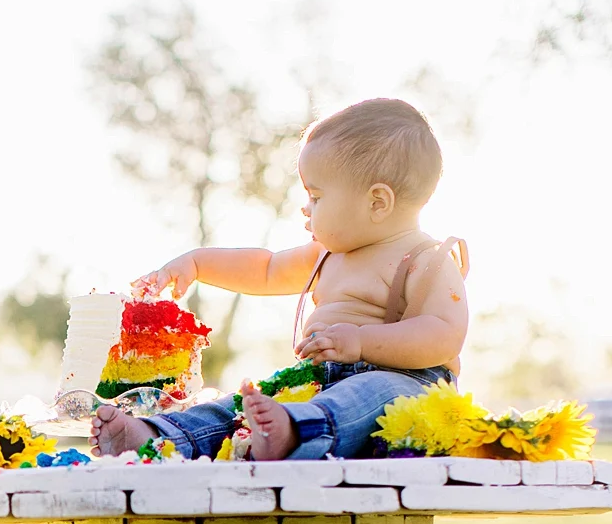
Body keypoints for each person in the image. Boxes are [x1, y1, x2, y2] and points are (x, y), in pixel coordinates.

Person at [94, 97, 470, 461]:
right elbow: (265, 268)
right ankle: (160, 434)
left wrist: (359, 341)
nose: (305, 207)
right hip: (320, 379)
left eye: (317, 196)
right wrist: (197, 263)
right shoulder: (326, 253)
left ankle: (294, 433)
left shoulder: (427, 260)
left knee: (371, 391)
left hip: (406, 385)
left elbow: (442, 333)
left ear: (377, 202)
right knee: (242, 404)